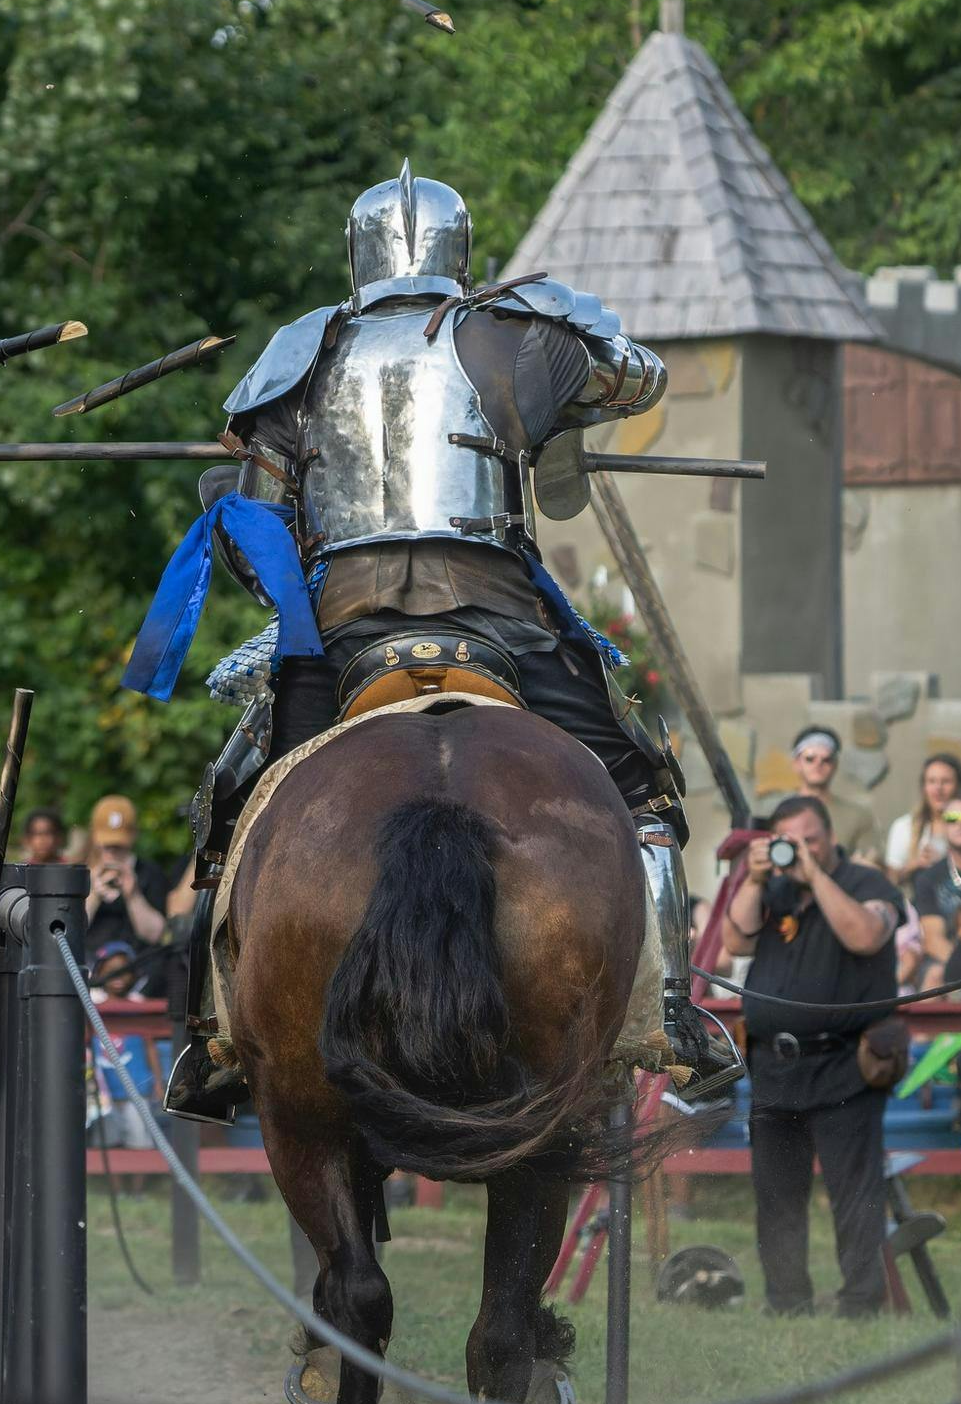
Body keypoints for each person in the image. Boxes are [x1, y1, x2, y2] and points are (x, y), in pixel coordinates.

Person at [130, 161, 734, 1120]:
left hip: (346, 628)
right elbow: (640, 376)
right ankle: (668, 1012)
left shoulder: (300, 352)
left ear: (356, 252)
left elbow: (254, 532)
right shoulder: (518, 337)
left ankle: (211, 1036)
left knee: (237, 806)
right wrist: (559, 346)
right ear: (460, 250)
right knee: (639, 787)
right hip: (498, 616)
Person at [720, 796, 901, 1318]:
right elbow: (735, 939)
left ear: (827, 836)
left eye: (809, 839)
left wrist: (815, 873)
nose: (799, 850)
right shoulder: (773, 887)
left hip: (845, 1064)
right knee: (776, 1195)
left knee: (854, 1194)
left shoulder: (869, 885)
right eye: (787, 840)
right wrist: (753, 880)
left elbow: (865, 936)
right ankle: (787, 1302)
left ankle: (861, 1303)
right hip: (775, 1066)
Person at [761, 726, 878, 863]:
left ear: (835, 765)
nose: (818, 765)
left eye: (826, 760)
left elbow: (871, 860)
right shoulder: (774, 811)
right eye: (810, 759)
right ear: (796, 763)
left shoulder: (858, 815)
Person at [87, 942, 162, 1151]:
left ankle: (138, 1184)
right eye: (110, 971)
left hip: (137, 1087)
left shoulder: (139, 1004)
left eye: (124, 971)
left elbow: (150, 1046)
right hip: (102, 1091)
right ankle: (113, 1184)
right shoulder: (91, 1004)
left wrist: (157, 1082)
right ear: (99, 972)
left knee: (139, 1141)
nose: (118, 977)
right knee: (106, 1141)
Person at [82, 795, 169, 953]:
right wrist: (94, 894)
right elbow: (68, 932)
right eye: (107, 846)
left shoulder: (150, 873)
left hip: (138, 968)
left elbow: (156, 935)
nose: (112, 853)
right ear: (94, 836)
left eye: (119, 846)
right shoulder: (80, 875)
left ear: (134, 835)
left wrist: (133, 895)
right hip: (90, 970)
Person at [915, 792, 961, 980]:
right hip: (950, 961)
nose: (960, 825)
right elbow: (933, 940)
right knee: (934, 975)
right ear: (943, 826)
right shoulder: (927, 879)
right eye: (952, 819)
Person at [887, 753, 961, 884]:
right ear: (924, 787)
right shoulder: (905, 826)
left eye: (946, 781)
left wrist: (944, 863)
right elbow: (890, 880)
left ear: (959, 786)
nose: (938, 789)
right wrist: (915, 864)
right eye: (932, 781)